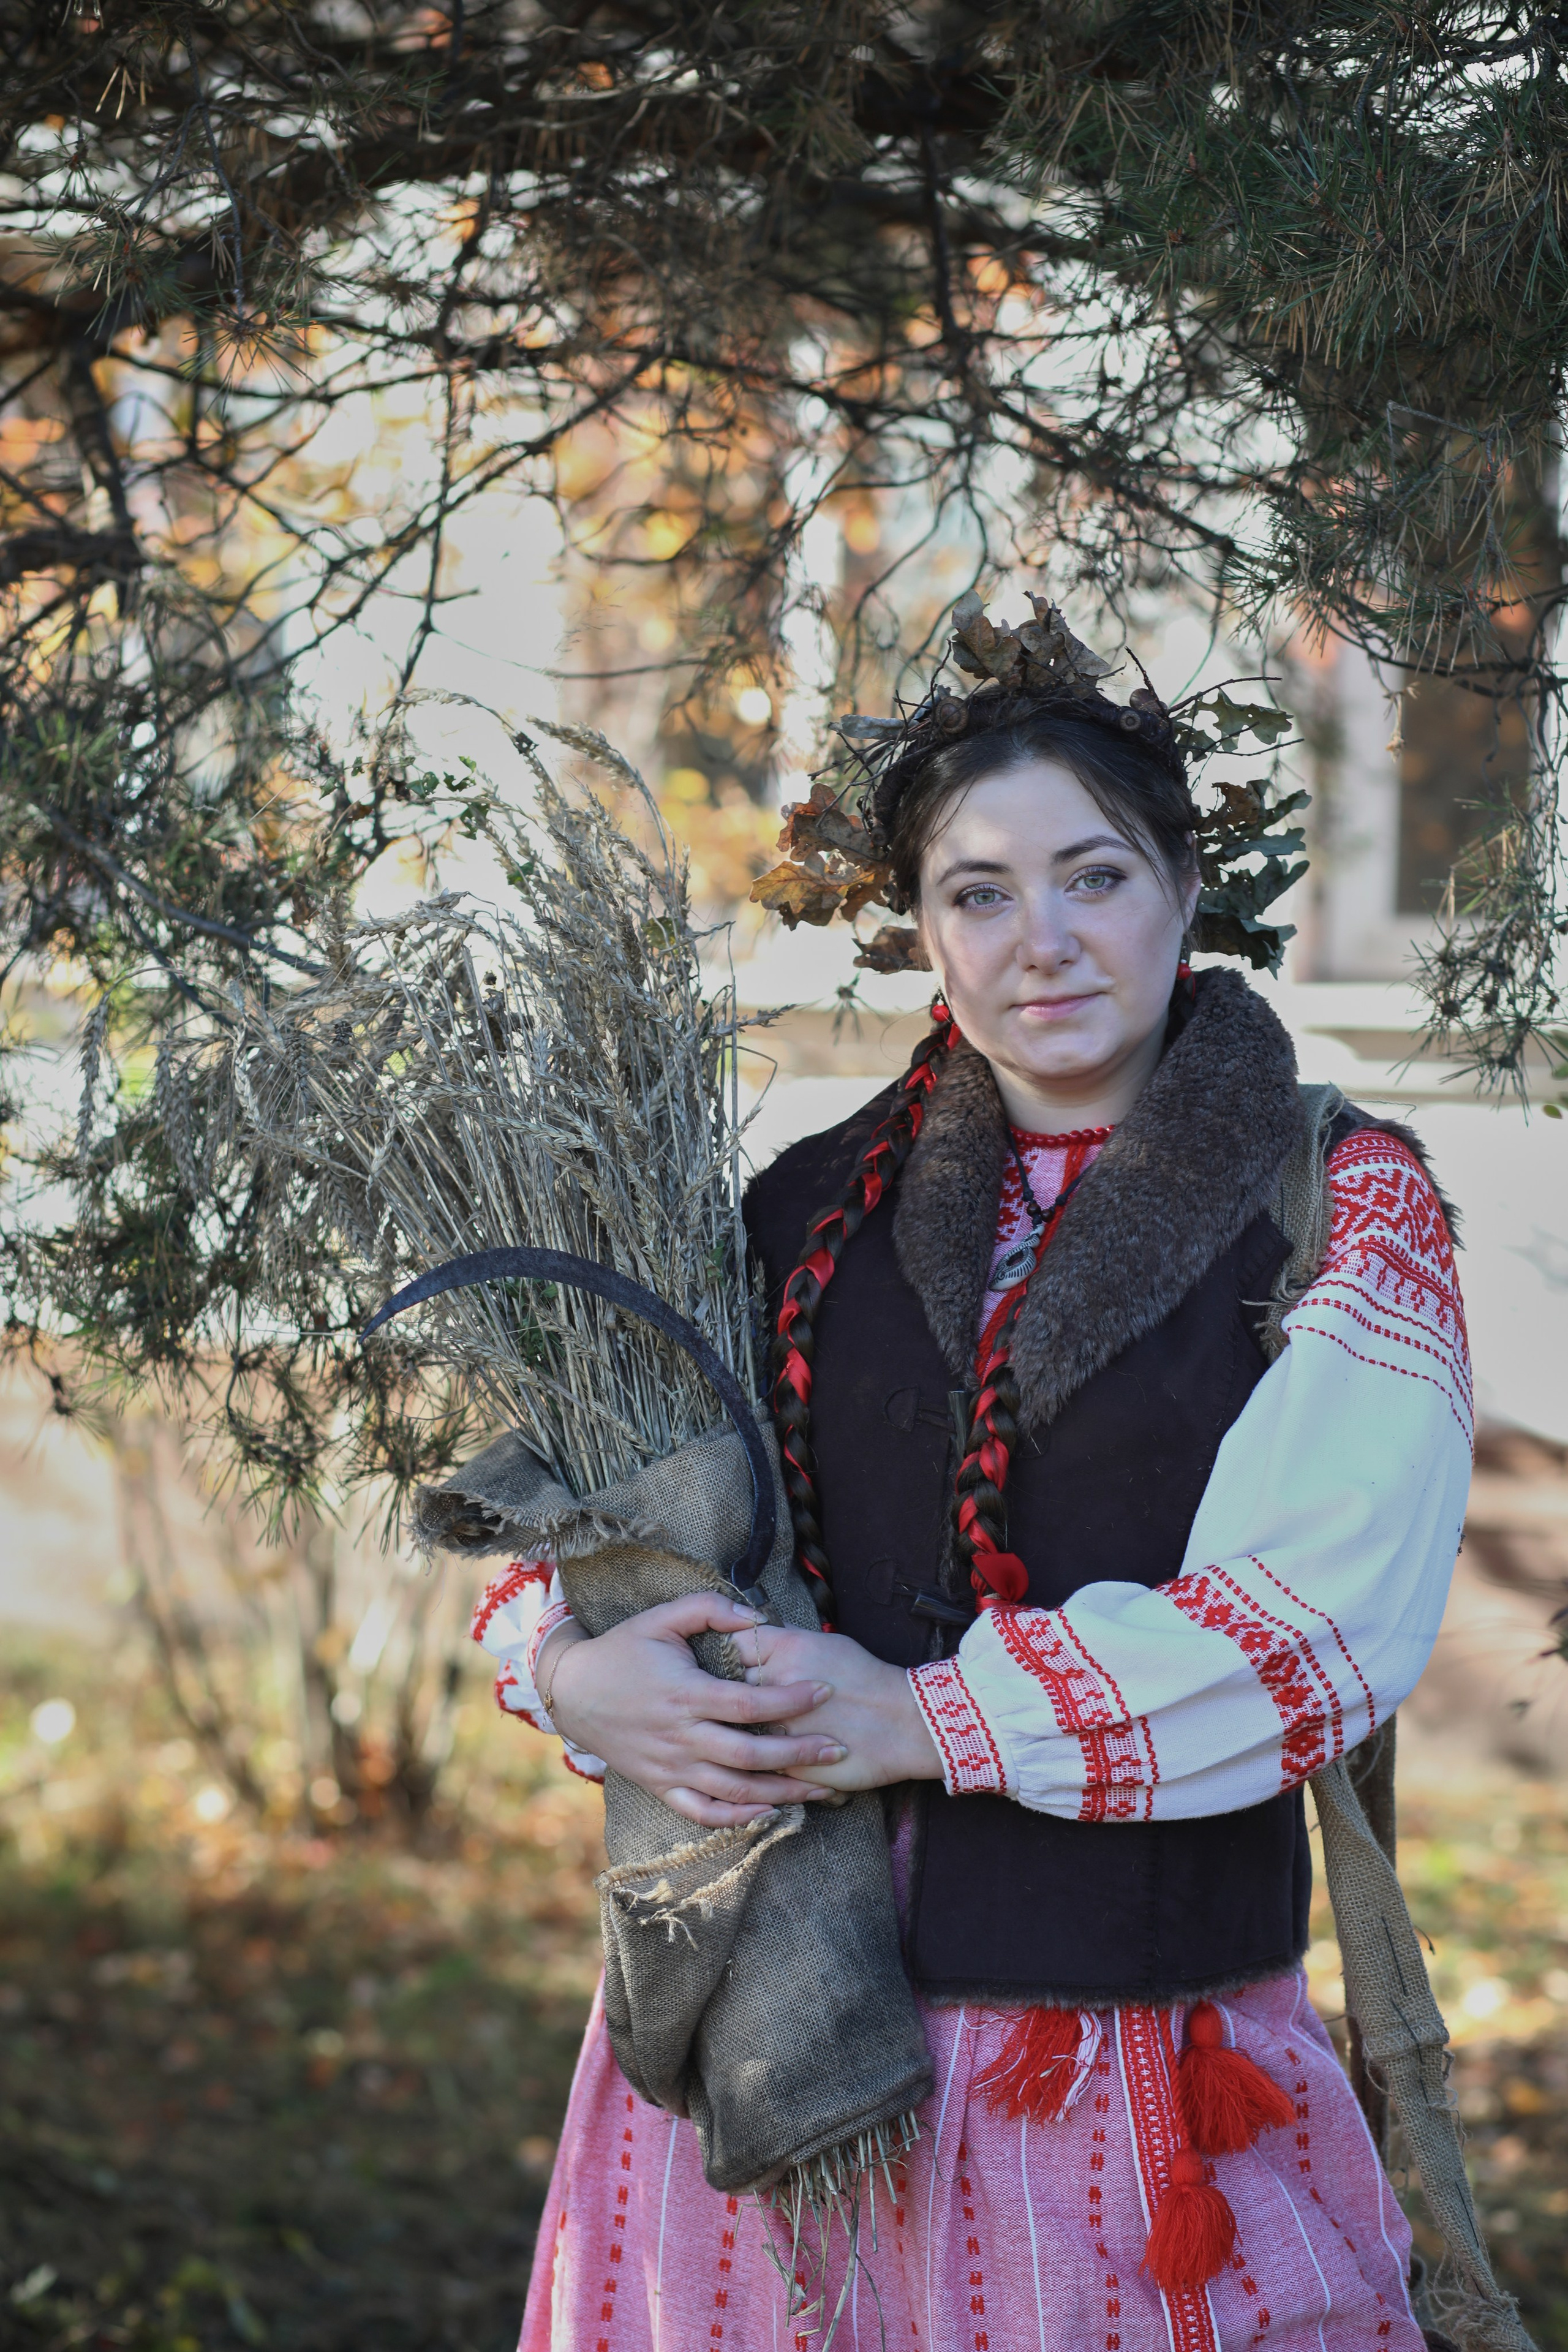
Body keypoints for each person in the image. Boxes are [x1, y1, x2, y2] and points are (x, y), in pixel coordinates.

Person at [473, 643, 1471, 2352]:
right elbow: (590, 1509)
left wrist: (921, 1719)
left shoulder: (1339, 1197)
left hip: (1113, 2076)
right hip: (768, 2042)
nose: (1045, 942)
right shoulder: (796, 1205)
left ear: (1182, 889)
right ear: (923, 930)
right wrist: (574, 1674)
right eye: (980, 892)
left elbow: (1317, 1625)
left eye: (1094, 876)